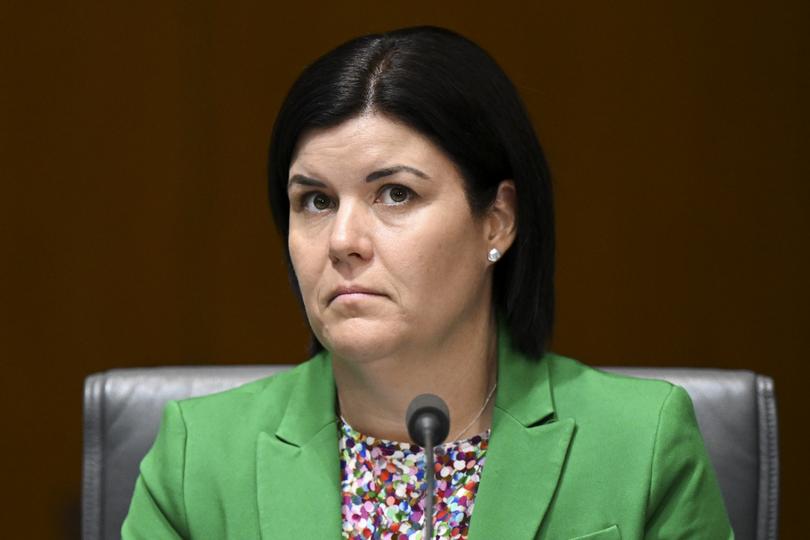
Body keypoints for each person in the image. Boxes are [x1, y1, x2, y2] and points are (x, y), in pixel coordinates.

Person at [122, 26, 733, 539]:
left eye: (395, 194)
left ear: (496, 220)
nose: (342, 240)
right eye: (314, 201)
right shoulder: (196, 457)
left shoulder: (640, 444)